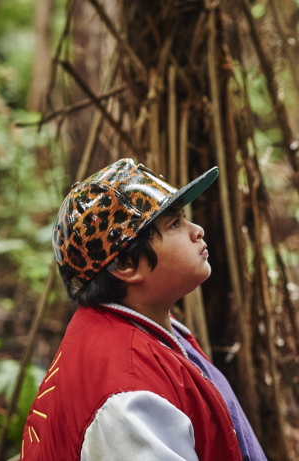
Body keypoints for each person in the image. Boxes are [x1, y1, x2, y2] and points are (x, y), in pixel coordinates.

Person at [22, 158, 267, 461]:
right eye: (175, 223)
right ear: (126, 264)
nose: (198, 230)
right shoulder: (127, 399)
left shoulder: (136, 328)